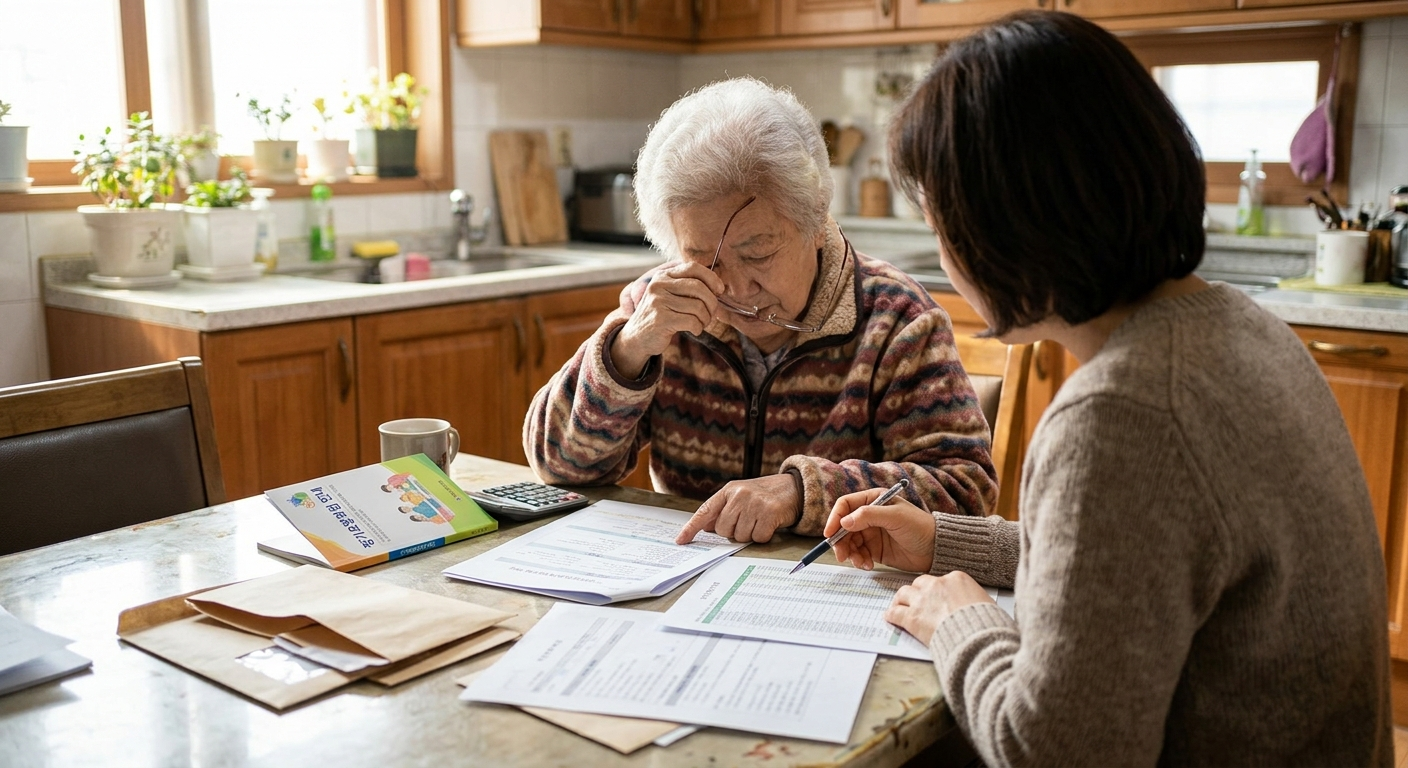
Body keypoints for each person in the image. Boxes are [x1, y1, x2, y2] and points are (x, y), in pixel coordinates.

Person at [824, 11, 1391, 765]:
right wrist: (944, 543)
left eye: (940, 220)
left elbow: (1054, 751)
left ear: (1001, 222)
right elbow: (1131, 564)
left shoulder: (1122, 414)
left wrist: (959, 620)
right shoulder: (1238, 323)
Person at [524, 77, 996, 543]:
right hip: (684, 587)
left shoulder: (897, 320)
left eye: (758, 253)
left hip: (835, 590)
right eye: (703, 260)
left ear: (815, 219)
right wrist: (627, 352)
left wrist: (800, 492)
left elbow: (965, 491)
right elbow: (557, 466)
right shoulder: (662, 308)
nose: (732, 286)